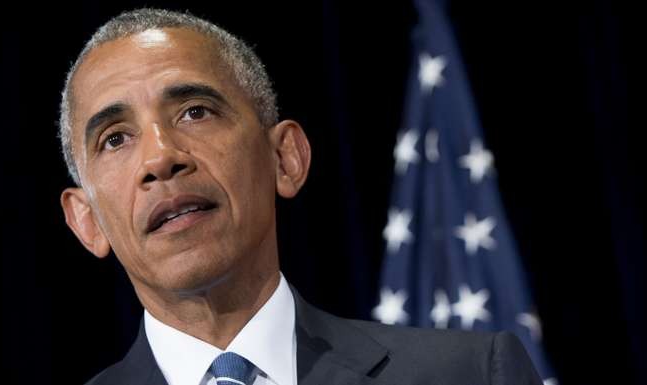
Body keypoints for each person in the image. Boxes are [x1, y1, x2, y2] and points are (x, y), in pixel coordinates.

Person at [58, 8, 543, 385]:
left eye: (195, 112)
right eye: (115, 139)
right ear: (87, 222)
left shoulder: (471, 374)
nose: (161, 158)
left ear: (285, 159)